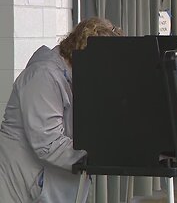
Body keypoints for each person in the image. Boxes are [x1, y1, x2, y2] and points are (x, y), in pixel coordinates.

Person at [0, 17, 122, 203]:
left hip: (51, 183)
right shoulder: (43, 76)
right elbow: (48, 143)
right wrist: (100, 156)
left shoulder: (76, 77)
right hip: (23, 184)